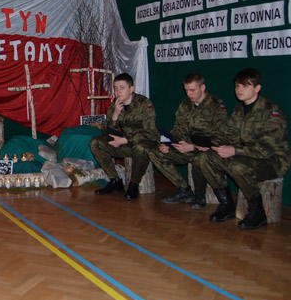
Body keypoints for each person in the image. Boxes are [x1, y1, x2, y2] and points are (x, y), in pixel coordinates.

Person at [192, 68, 290, 229]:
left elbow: (267, 149)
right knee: (205, 158)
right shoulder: (239, 110)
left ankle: (257, 213)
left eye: (245, 86)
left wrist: (235, 151)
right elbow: (229, 135)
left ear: (257, 88)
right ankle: (227, 205)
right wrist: (212, 145)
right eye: (237, 86)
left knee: (238, 167)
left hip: (272, 161)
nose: (239, 89)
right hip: (248, 156)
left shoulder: (271, 112)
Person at [148, 73, 228, 208]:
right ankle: (183, 189)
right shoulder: (185, 105)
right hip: (187, 148)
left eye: (192, 90)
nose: (189, 94)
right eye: (186, 90)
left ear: (202, 88)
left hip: (208, 150)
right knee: (156, 152)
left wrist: (193, 146)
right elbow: (178, 130)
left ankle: (199, 195)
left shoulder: (216, 105)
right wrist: (170, 144)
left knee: (199, 158)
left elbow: (221, 135)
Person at [89, 72, 159, 200]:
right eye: (115, 88)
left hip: (145, 144)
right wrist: (115, 115)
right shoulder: (116, 103)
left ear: (131, 89)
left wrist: (124, 140)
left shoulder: (144, 103)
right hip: (126, 144)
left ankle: (134, 184)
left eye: (122, 88)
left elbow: (150, 133)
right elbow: (106, 131)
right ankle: (115, 180)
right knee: (95, 142)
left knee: (140, 147)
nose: (118, 92)